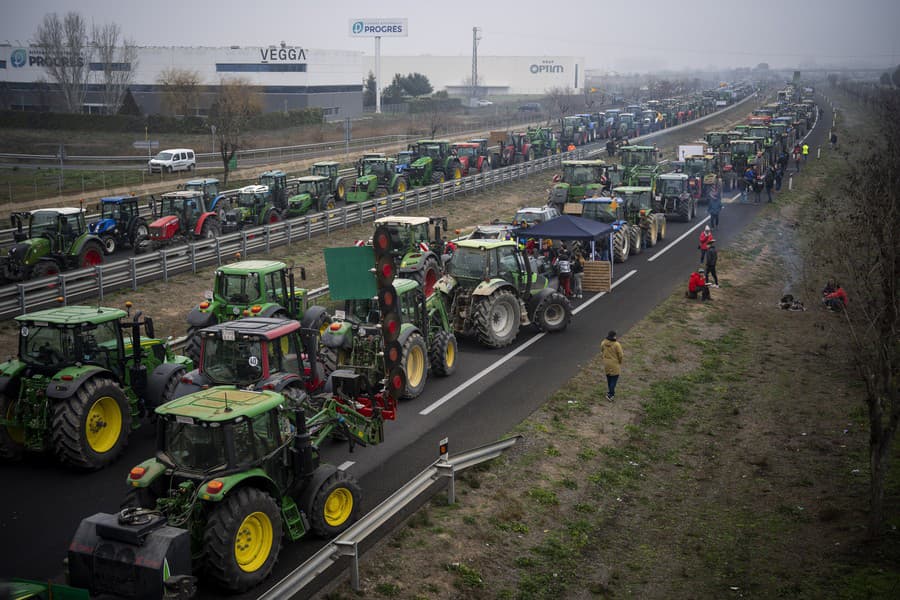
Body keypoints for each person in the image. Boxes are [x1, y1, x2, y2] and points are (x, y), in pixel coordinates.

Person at [600, 330, 624, 401]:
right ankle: (611, 395)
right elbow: (621, 355)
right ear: (614, 336)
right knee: (614, 379)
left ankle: (609, 392)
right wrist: (620, 361)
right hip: (614, 363)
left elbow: (601, 350)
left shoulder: (603, 342)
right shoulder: (616, 344)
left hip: (606, 363)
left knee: (609, 378)